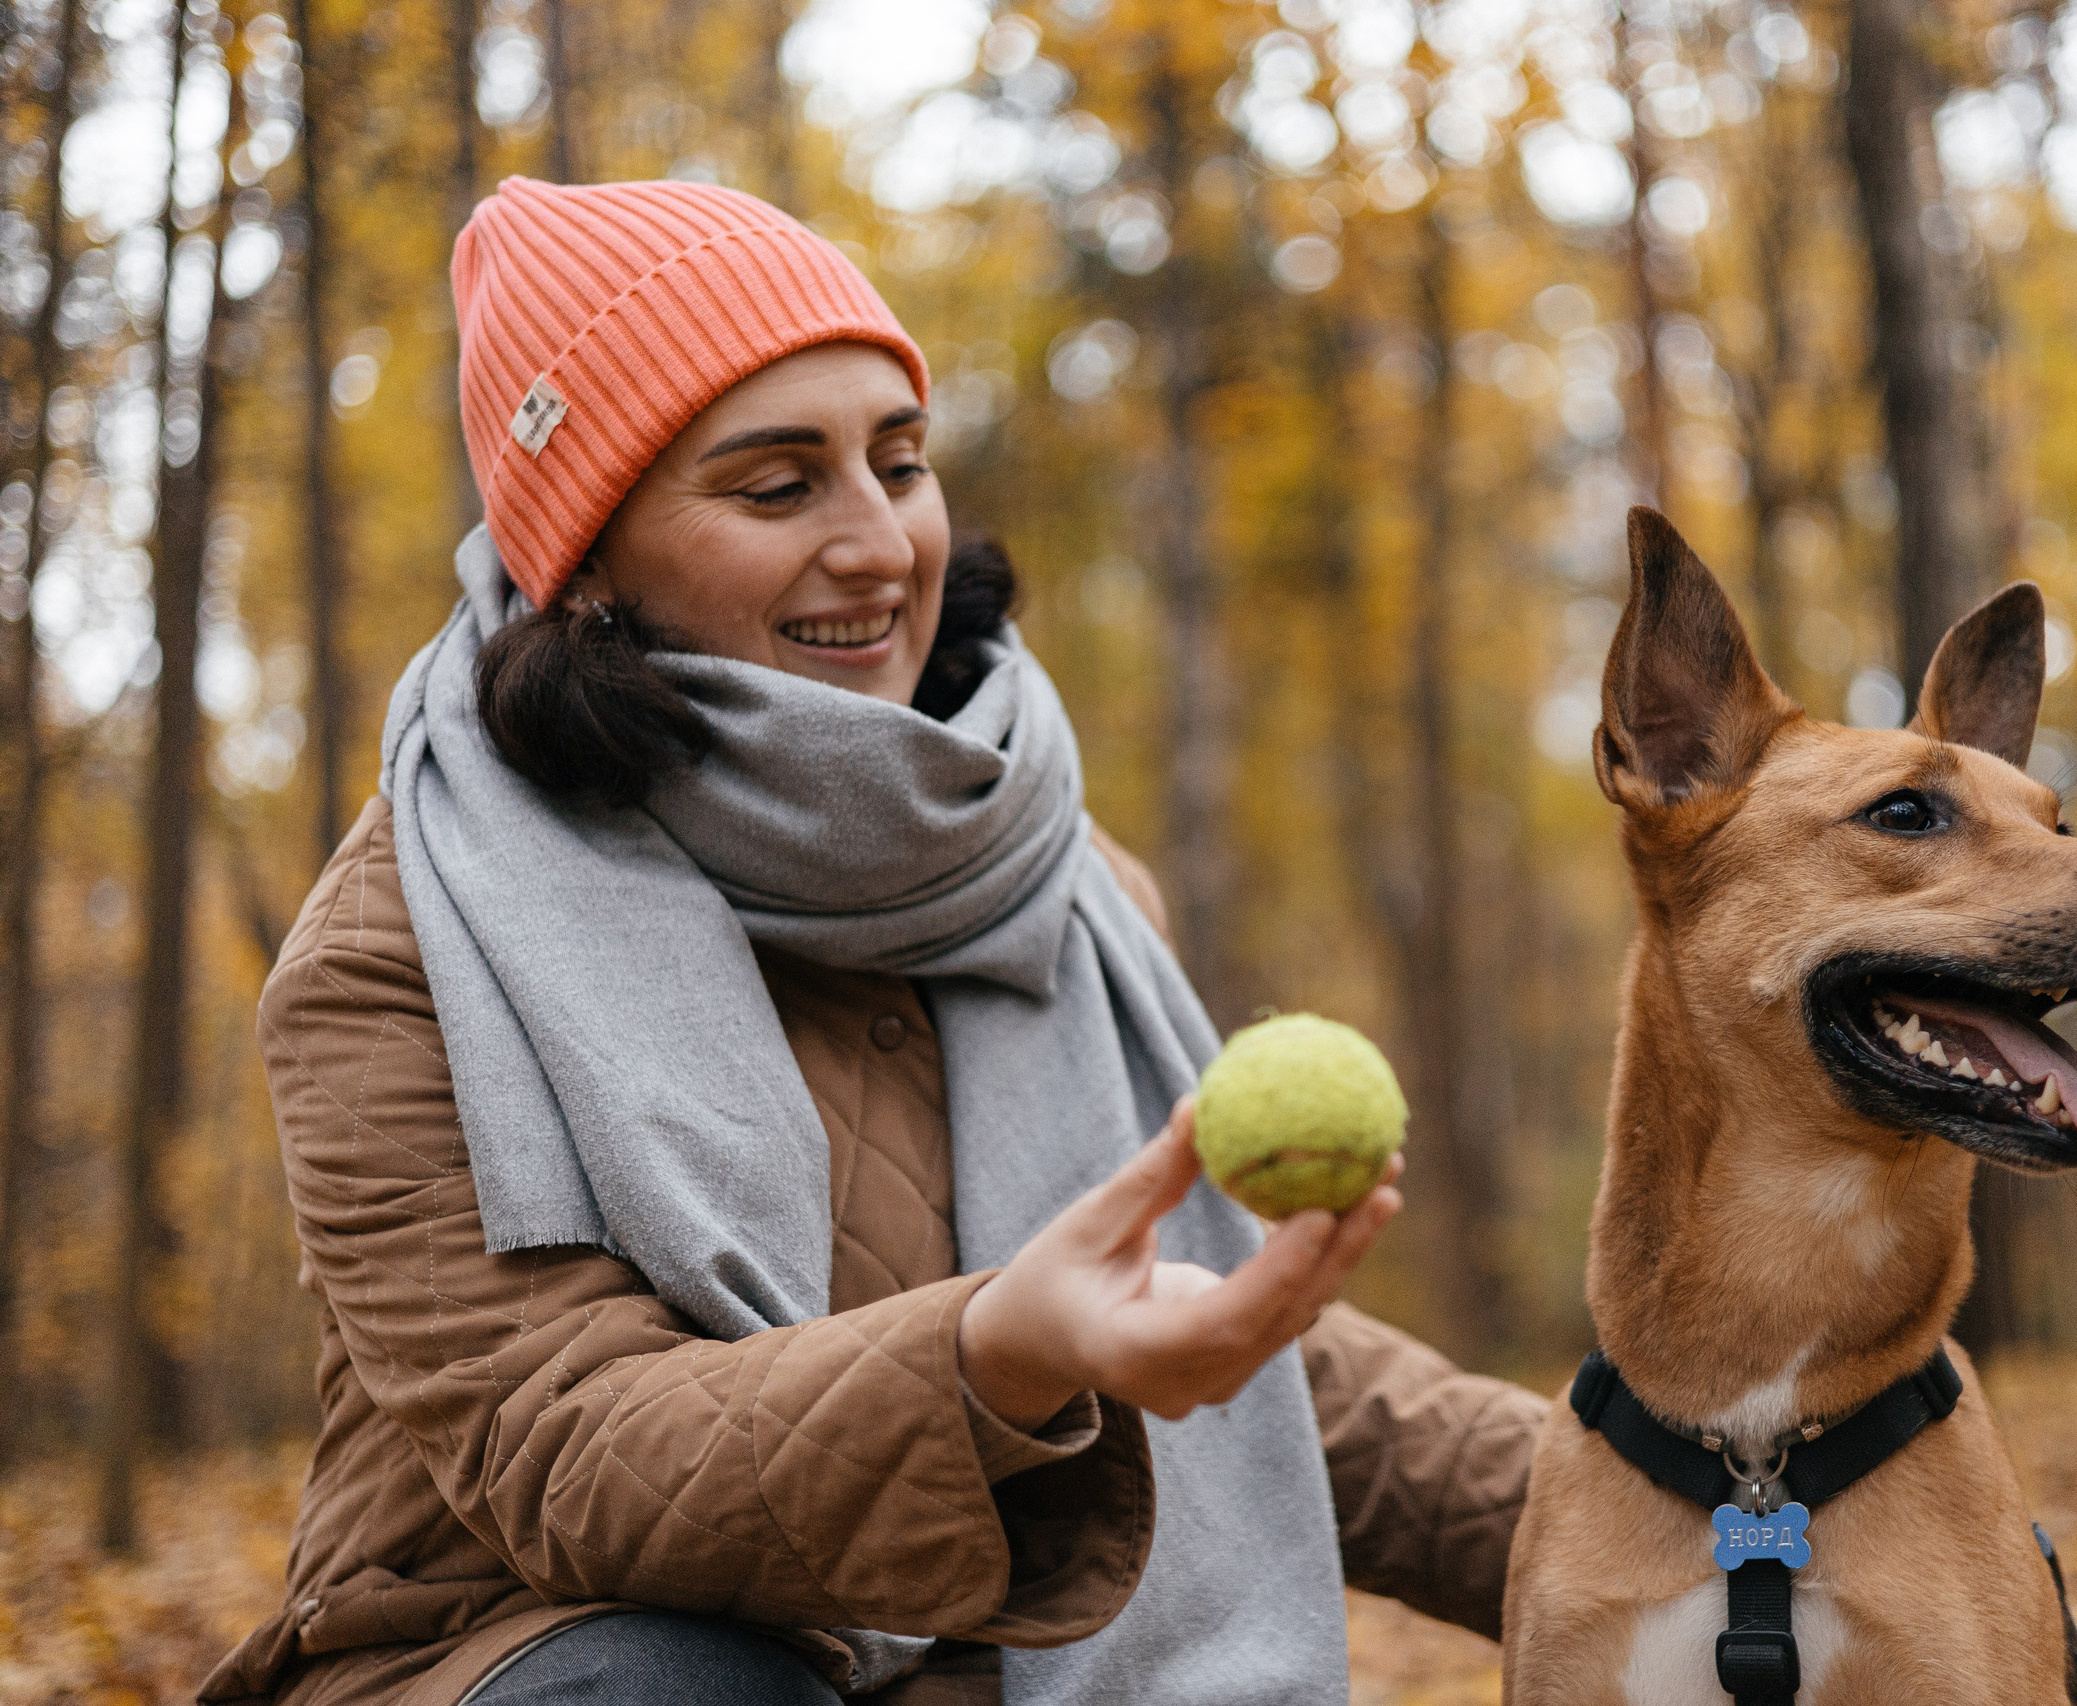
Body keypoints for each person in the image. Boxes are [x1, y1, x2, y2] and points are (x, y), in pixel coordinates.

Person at [199, 177, 1546, 1706]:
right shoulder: (399, 948)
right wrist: (995, 1358)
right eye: (778, 488)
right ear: (586, 559)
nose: (879, 544)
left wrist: (1676, 1496)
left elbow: (1220, 1350)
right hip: (523, 1651)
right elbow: (564, 1452)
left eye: (899, 464)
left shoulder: (1052, 876)